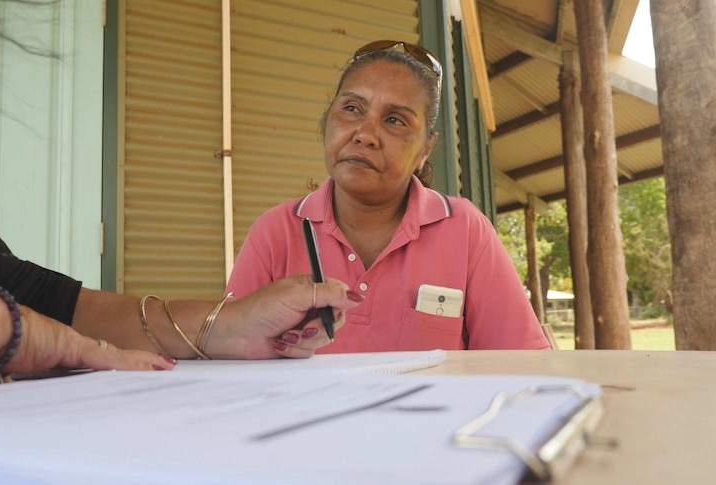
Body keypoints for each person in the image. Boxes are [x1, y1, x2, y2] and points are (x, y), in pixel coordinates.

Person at [0, 0, 364, 405]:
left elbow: (14, 285)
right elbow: (1, 305)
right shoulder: (278, 224)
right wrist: (5, 324)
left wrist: (227, 329)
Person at [226, 40, 549, 352]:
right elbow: (229, 351)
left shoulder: (464, 229)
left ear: (425, 149)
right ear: (328, 121)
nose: (365, 135)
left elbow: (521, 362)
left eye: (395, 120)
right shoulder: (277, 231)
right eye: (351, 108)